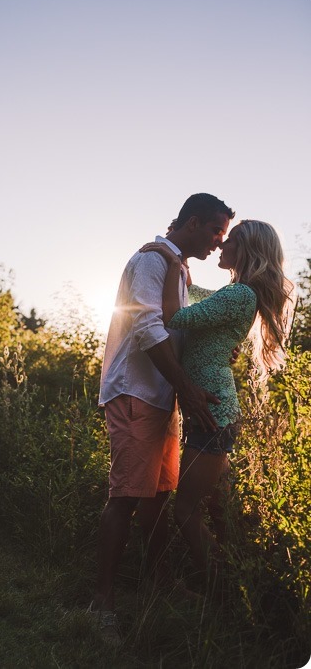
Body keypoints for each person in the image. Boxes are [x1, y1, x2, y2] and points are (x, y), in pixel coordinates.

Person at [88, 193, 235, 644]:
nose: (217, 242)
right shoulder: (150, 262)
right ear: (192, 223)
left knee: (157, 497)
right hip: (136, 393)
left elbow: (182, 324)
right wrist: (188, 390)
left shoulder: (178, 269)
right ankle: (102, 605)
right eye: (215, 231)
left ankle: (161, 583)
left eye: (223, 236)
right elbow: (148, 328)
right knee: (126, 497)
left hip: (161, 397)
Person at [140, 219, 295, 593]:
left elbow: (176, 315)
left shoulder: (240, 295)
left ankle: (223, 592)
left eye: (230, 239)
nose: (221, 244)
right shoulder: (235, 293)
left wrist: (174, 262)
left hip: (213, 413)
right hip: (212, 412)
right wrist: (180, 268)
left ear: (245, 248)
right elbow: (190, 296)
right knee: (221, 512)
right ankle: (247, 586)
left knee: (186, 510)